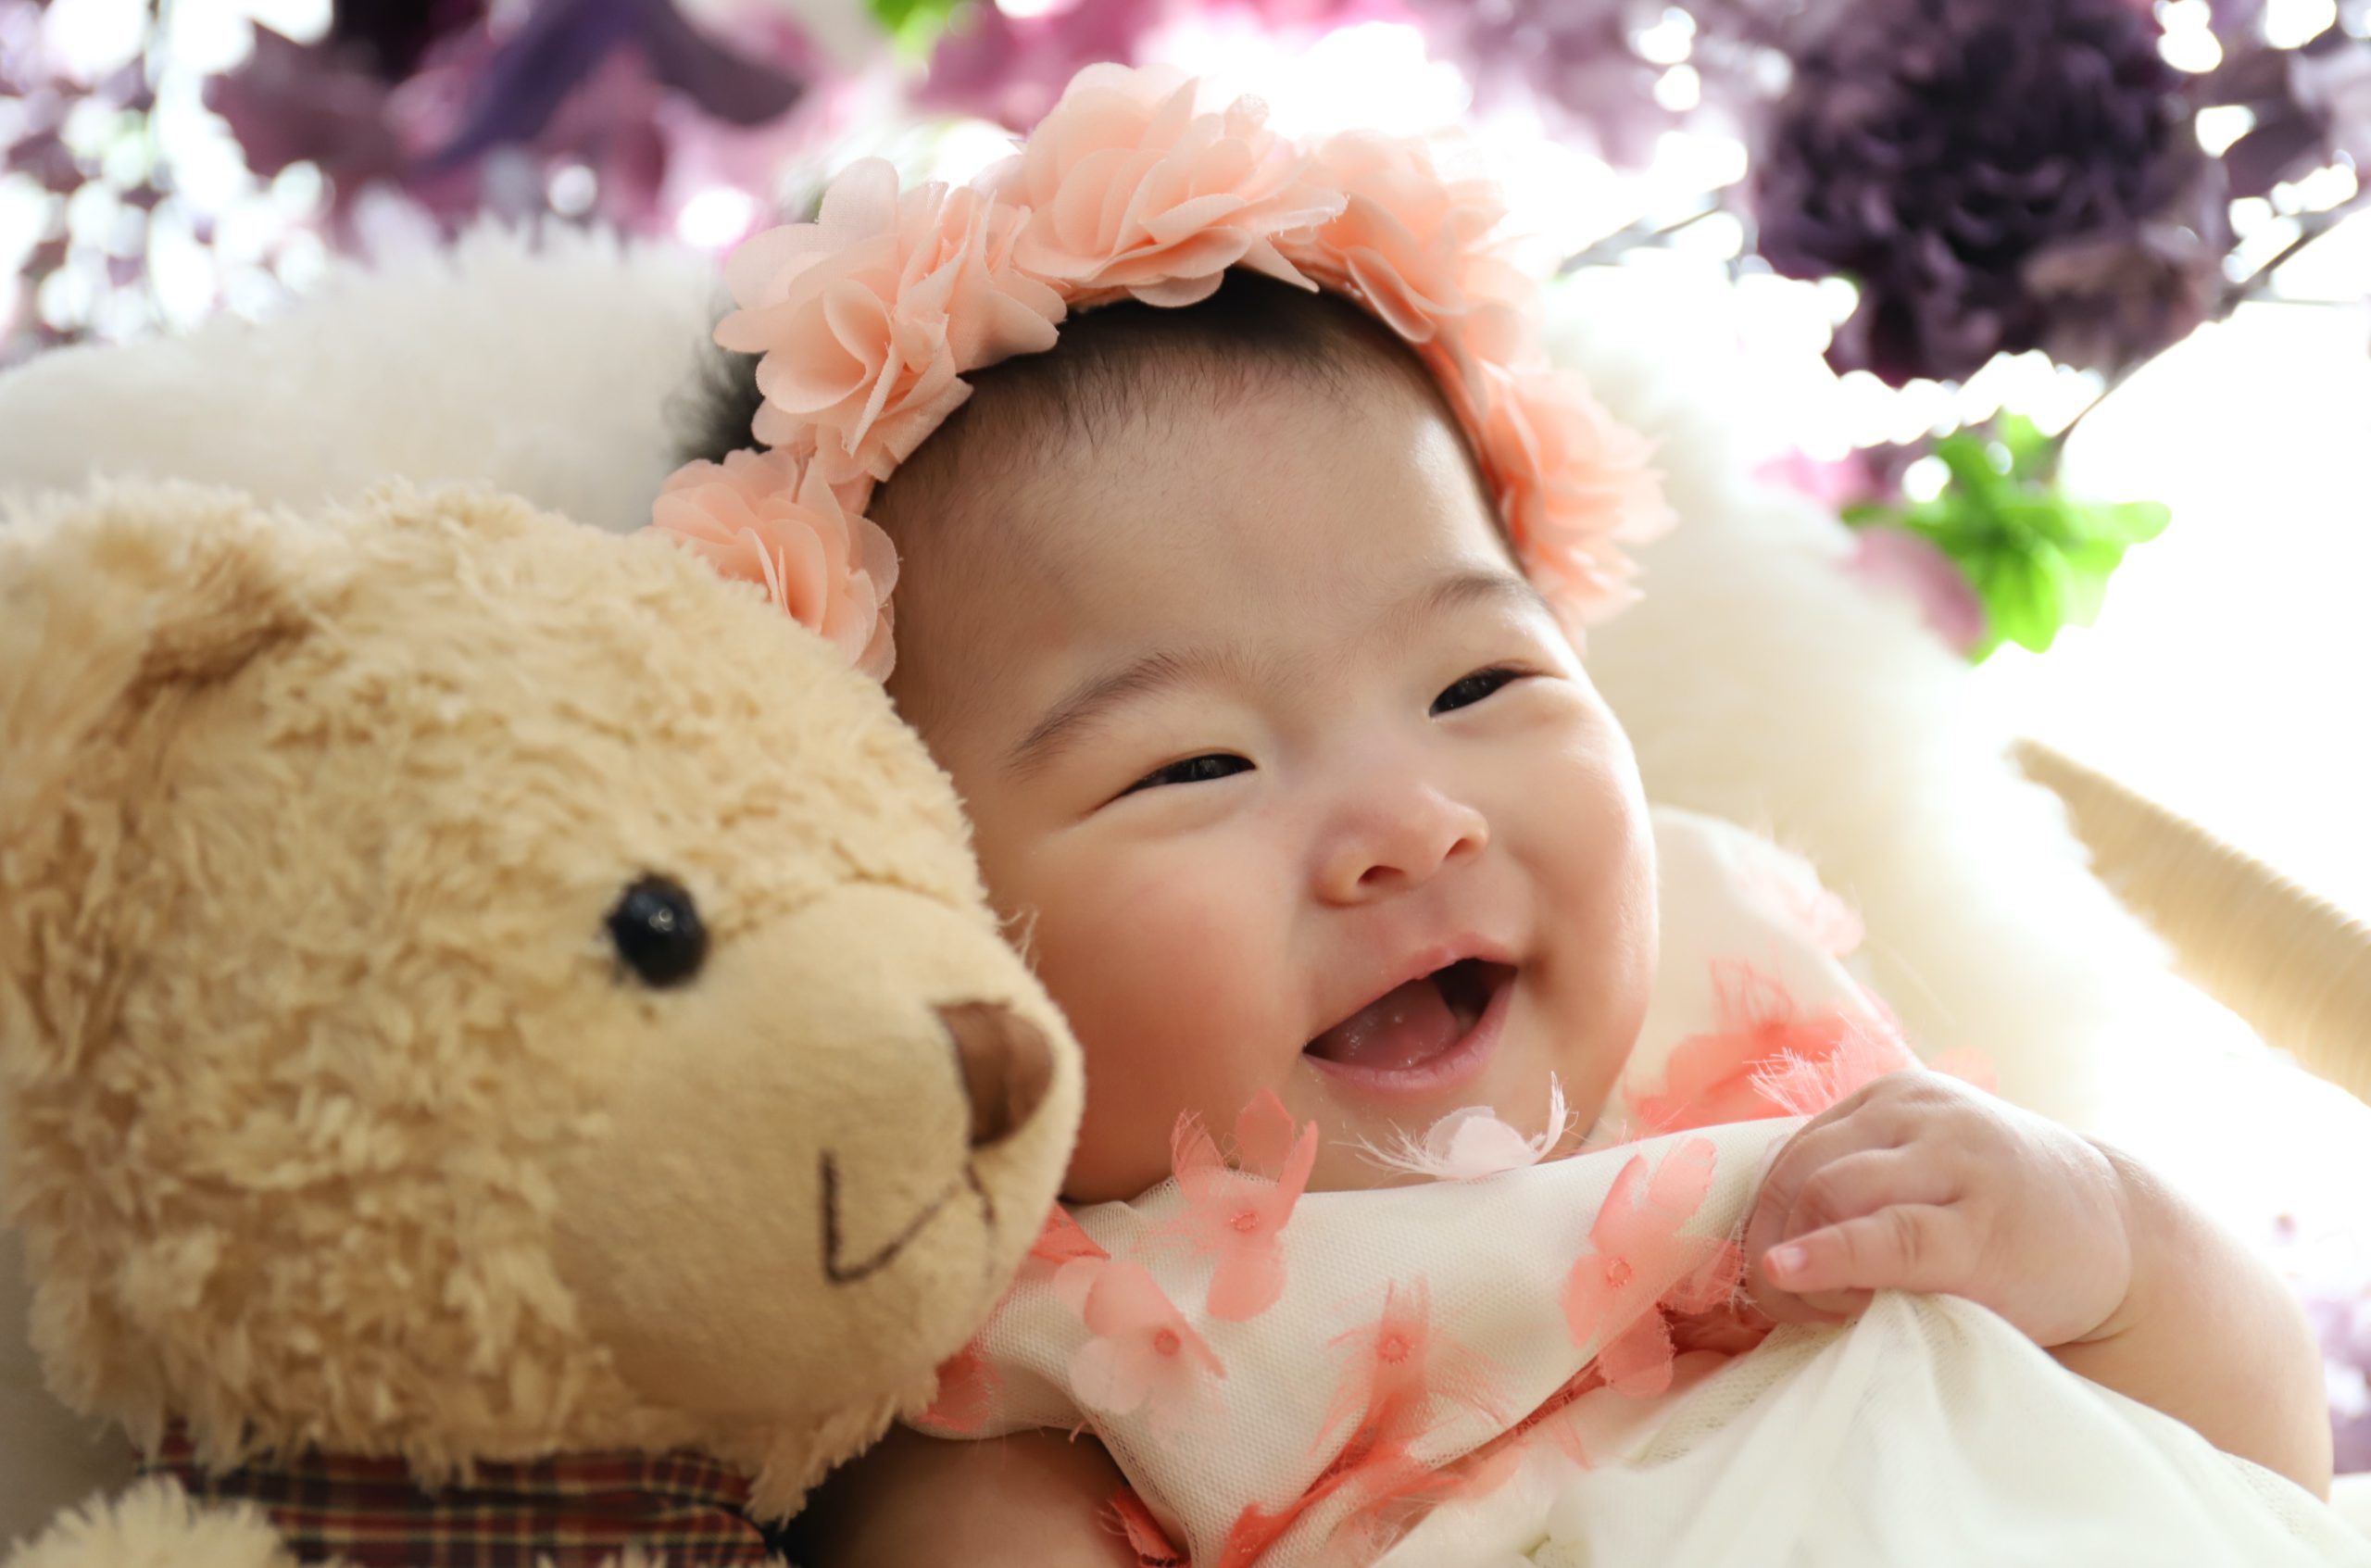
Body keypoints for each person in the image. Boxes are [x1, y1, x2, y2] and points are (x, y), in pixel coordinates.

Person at [650, 63, 2330, 1566]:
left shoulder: (1760, 1047)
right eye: (1196, 767)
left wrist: (2117, 1251)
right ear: (923, 901)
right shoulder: (1055, 1356)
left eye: (1477, 682)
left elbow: (2257, 1469)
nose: (1412, 821)